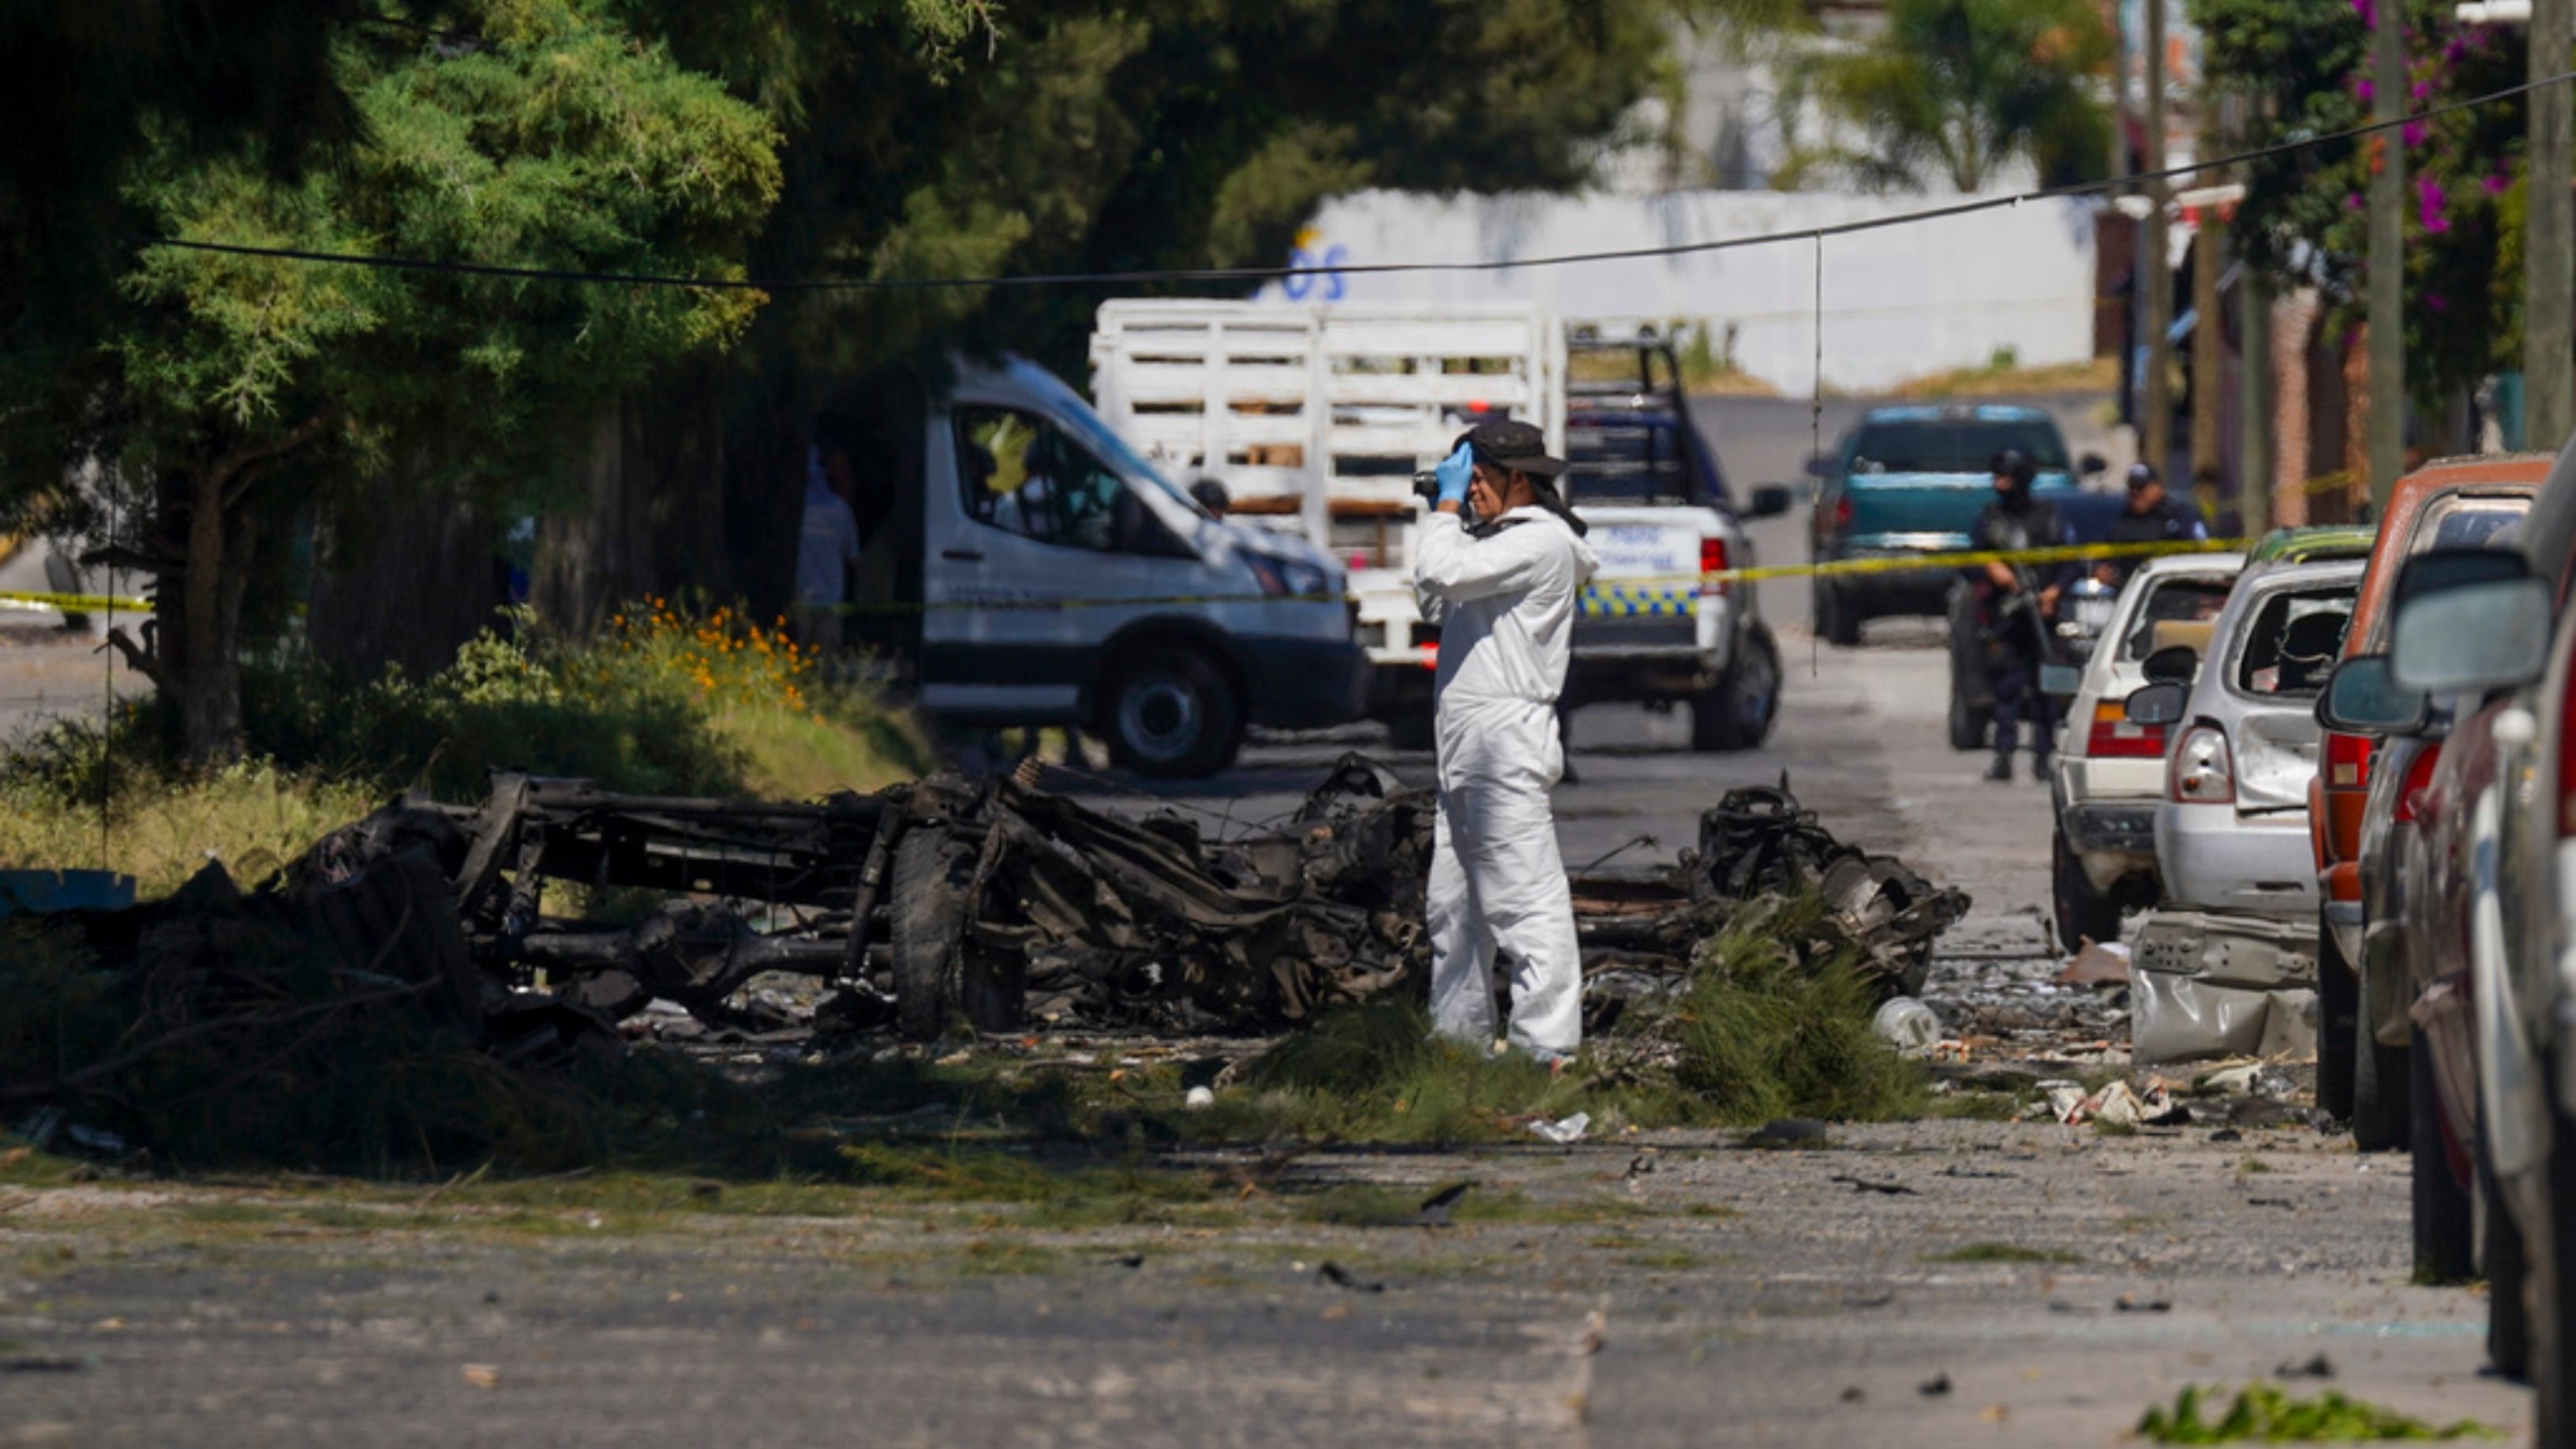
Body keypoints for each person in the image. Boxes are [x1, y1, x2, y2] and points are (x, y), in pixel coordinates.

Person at [1413, 419, 1601, 1063]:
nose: (1470, 492)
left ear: (1520, 479)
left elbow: (1442, 573)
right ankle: (1459, 1047)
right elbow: (1434, 600)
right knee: (1454, 913)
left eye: (1478, 480)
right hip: (1465, 746)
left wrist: (1442, 511)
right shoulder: (1494, 544)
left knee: (1524, 904)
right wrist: (1450, 519)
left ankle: (1546, 1050)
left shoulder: (1541, 543)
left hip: (1502, 744)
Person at [1967, 448, 2076, 782]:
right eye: (1996, 477)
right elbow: (1969, 559)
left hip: (2042, 617)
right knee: (2006, 689)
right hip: (2007, 618)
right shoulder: (1990, 518)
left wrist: (2054, 592)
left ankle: (2044, 757)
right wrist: (1993, 569)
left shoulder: (2049, 515)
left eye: (2005, 477)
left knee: (2045, 690)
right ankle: (2003, 756)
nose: (1999, 483)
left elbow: (2070, 559)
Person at [793, 430, 863, 648]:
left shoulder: (795, 510)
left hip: (801, 597)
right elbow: (853, 557)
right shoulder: (840, 510)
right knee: (827, 666)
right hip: (831, 600)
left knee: (801, 665)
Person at [2097, 462, 2208, 585]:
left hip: (2178, 589)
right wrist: (2102, 570)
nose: (2136, 493)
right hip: (2133, 590)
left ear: (2157, 488)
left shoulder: (2179, 515)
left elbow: (2203, 550)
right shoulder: (2122, 520)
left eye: (2141, 489)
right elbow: (2104, 557)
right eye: (2132, 488)